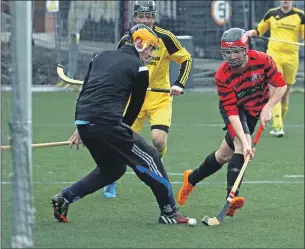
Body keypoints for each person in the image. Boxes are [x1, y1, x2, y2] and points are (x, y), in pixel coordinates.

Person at [51, 24, 190, 225]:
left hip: (84, 119)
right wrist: (122, 131)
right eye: (150, 48)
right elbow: (135, 107)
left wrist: (81, 126)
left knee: (113, 170)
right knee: (151, 158)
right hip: (107, 123)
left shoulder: (99, 57)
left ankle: (65, 198)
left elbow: (85, 93)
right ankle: (170, 211)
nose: (151, 54)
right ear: (139, 43)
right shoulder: (141, 68)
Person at [177, 28, 287, 217]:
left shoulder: (262, 60)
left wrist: (268, 107)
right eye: (228, 52)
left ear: (245, 49)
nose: (232, 56)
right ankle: (232, 198)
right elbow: (233, 113)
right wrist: (246, 142)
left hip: (256, 108)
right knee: (240, 146)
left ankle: (191, 178)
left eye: (236, 51)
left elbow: (281, 85)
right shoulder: (222, 75)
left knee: (223, 156)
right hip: (235, 110)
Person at [103, 0, 193, 198]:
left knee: (158, 141)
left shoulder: (165, 38)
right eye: (141, 16)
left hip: (159, 98)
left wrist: (179, 83)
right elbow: (118, 67)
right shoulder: (127, 40)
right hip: (133, 100)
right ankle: (111, 179)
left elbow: (186, 59)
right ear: (134, 18)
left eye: (149, 16)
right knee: (121, 143)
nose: (145, 20)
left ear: (154, 18)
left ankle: (155, 160)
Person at [246, 0, 305, 137]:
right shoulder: (271, 14)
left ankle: (279, 124)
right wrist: (250, 33)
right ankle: (278, 126)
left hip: (291, 58)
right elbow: (259, 30)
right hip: (274, 56)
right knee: (275, 89)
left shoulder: (300, 15)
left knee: (285, 93)